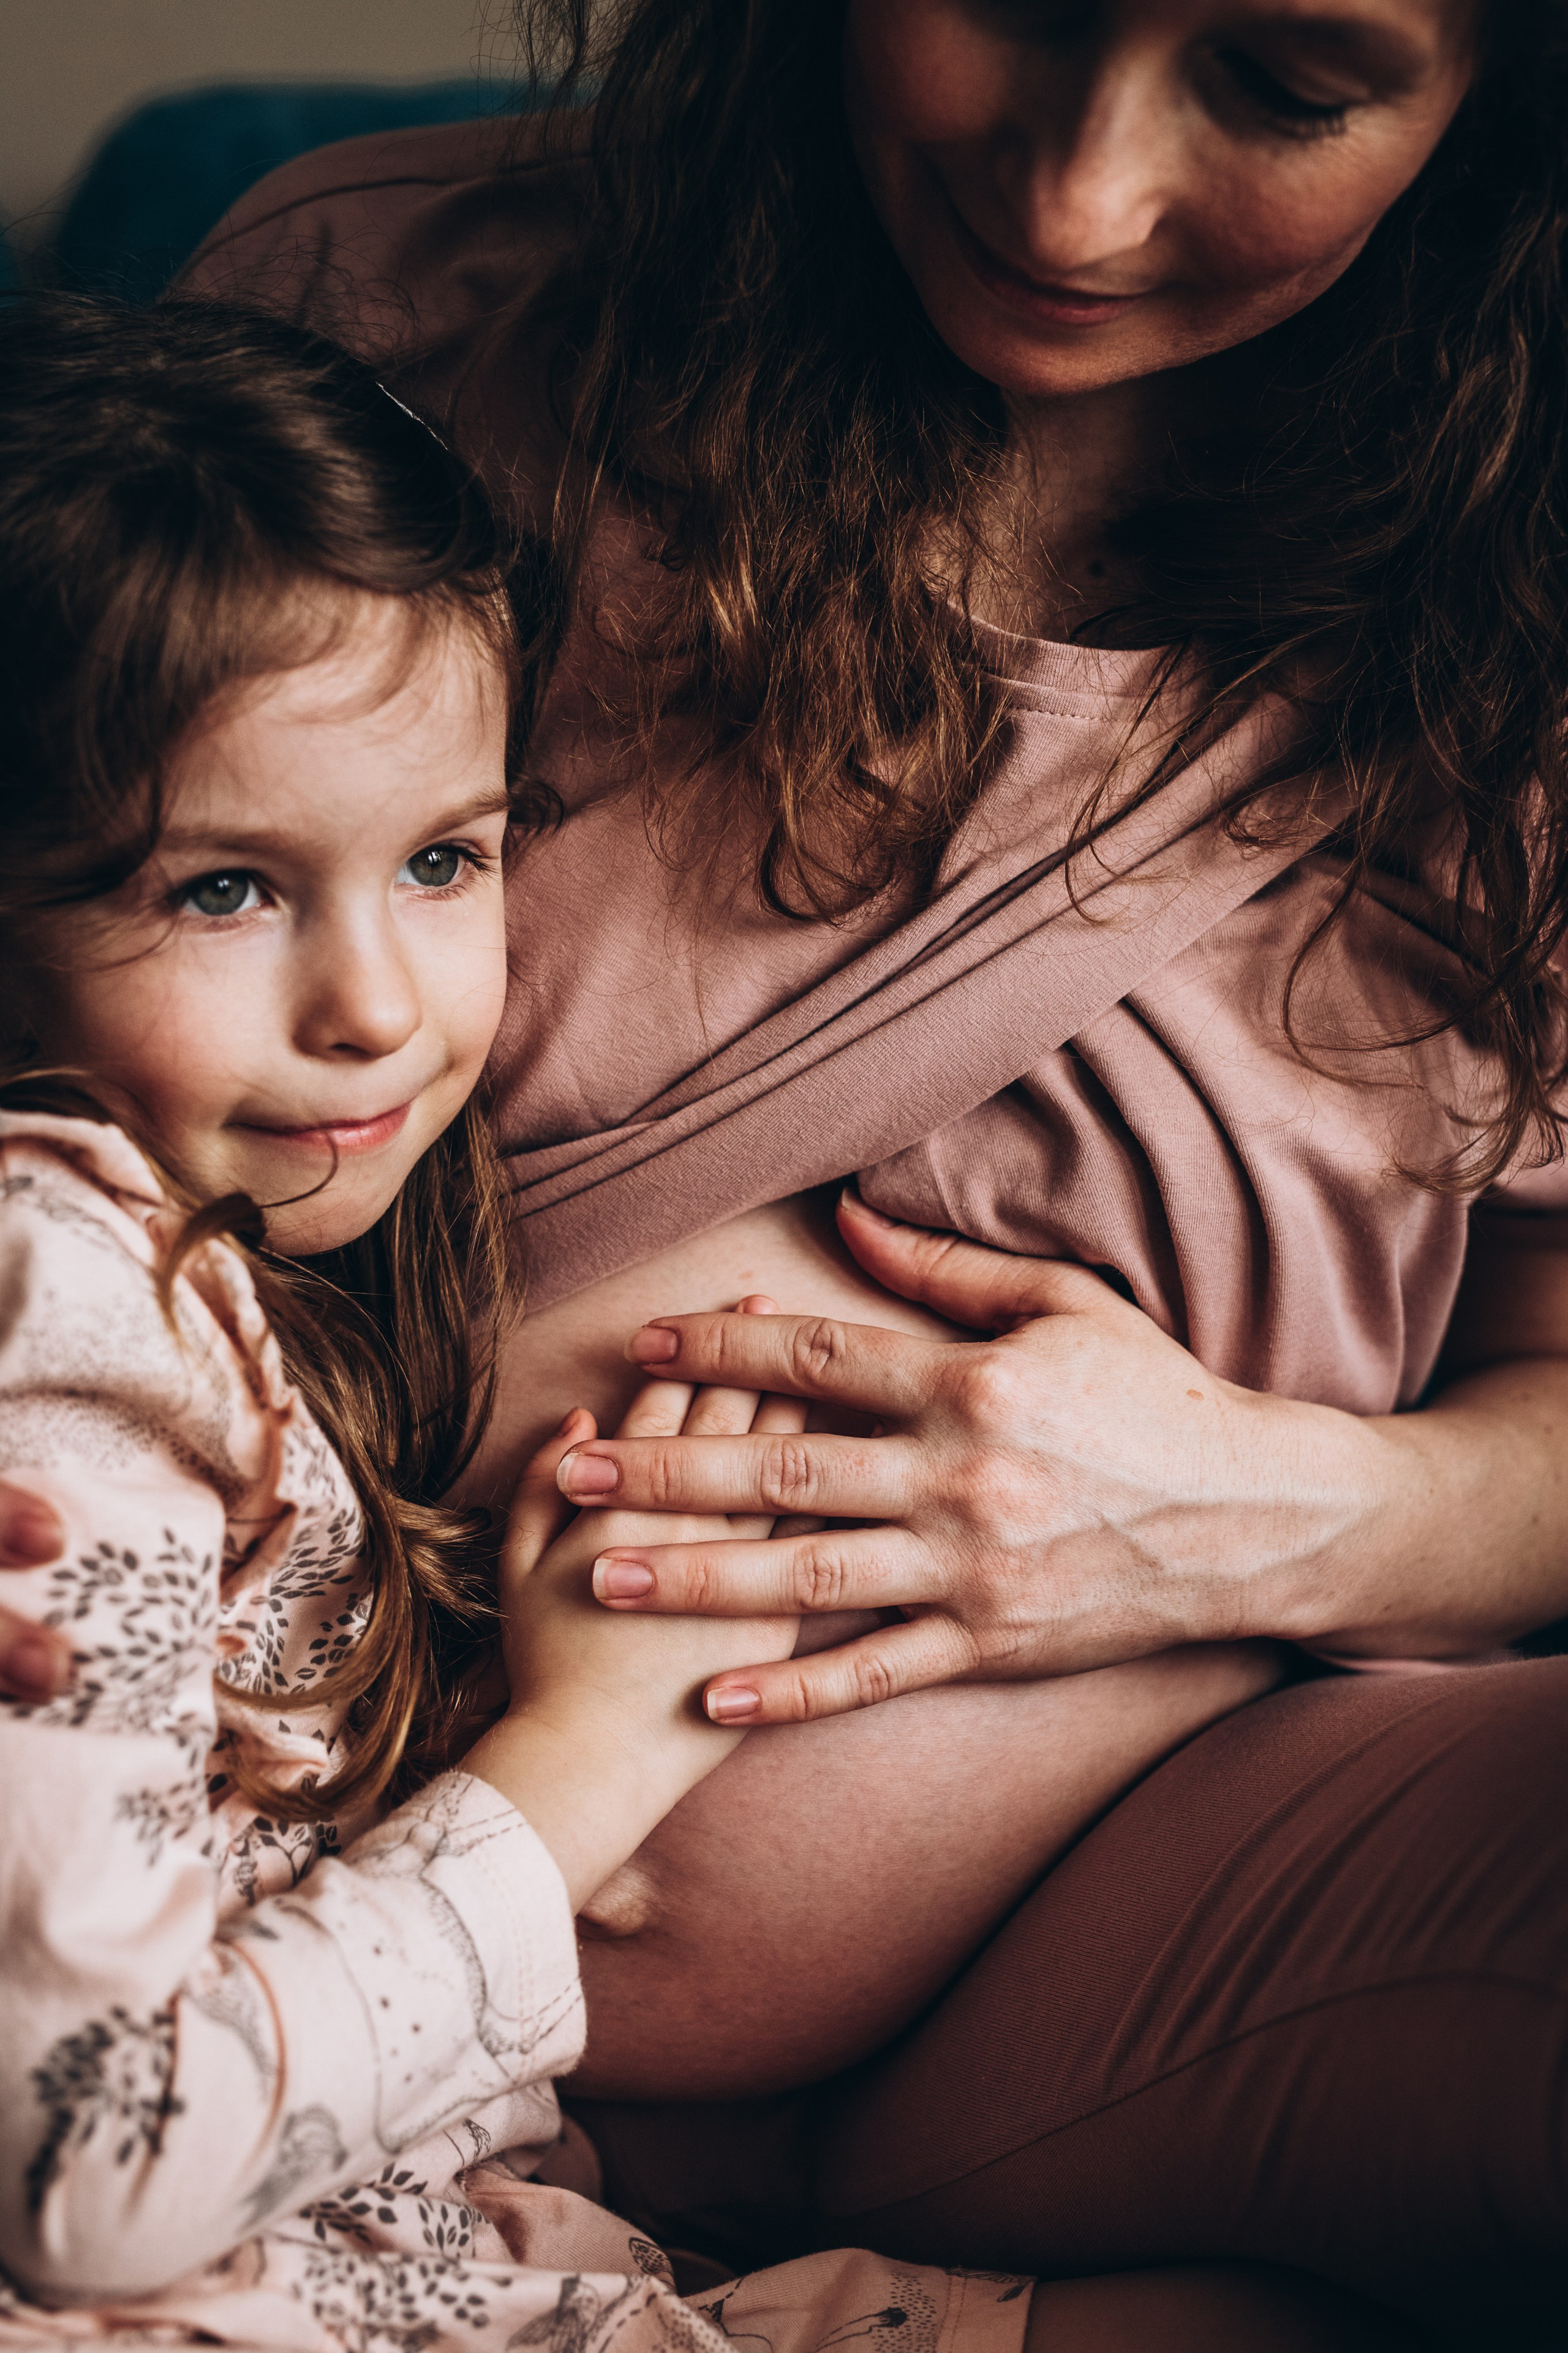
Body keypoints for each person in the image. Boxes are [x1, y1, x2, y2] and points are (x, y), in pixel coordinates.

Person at [9, 0, 1566, 2338]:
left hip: (1112, 1935)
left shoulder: (1522, 630)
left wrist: (1257, 1502)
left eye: (1288, 82)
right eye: (1017, 7)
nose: (1072, 198)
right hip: (315, 1960)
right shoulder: (393, 325)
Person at [0, 292, 1033, 2353]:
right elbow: (88, 2172)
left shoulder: (215, 1258)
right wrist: (589, 1757)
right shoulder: (62, 1313)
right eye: (222, 888)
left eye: (447, 856)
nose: (379, 1006)